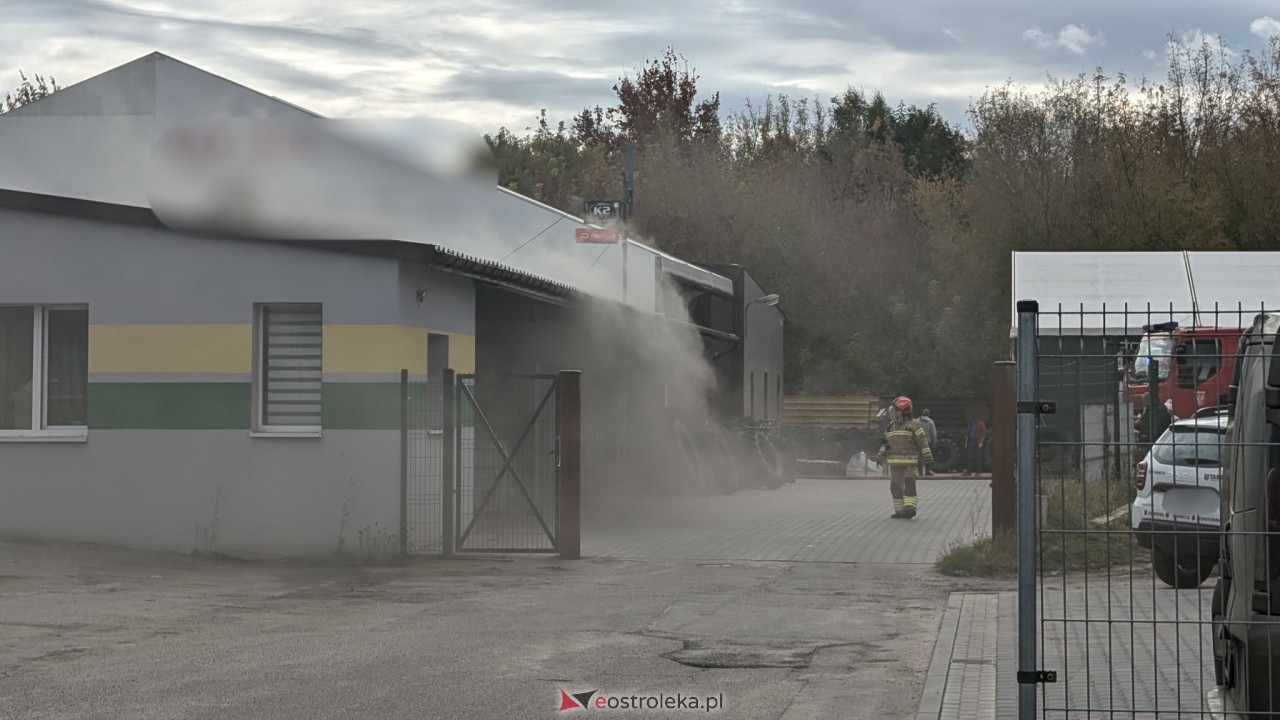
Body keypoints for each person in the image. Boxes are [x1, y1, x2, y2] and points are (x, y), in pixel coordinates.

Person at [877, 396, 932, 519]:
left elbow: (923, 442)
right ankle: (899, 511)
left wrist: (928, 456)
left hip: (909, 464)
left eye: (895, 410)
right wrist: (880, 455)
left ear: (904, 411)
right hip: (894, 465)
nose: (892, 412)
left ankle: (910, 508)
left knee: (909, 483)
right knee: (895, 486)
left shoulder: (914, 426)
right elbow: (886, 444)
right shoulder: (891, 427)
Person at [917, 409, 938, 476]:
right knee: (928, 457)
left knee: (919, 457)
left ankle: (920, 472)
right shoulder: (930, 422)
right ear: (929, 414)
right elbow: (933, 433)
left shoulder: (917, 421)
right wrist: (934, 442)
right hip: (928, 442)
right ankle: (927, 472)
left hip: (919, 441)